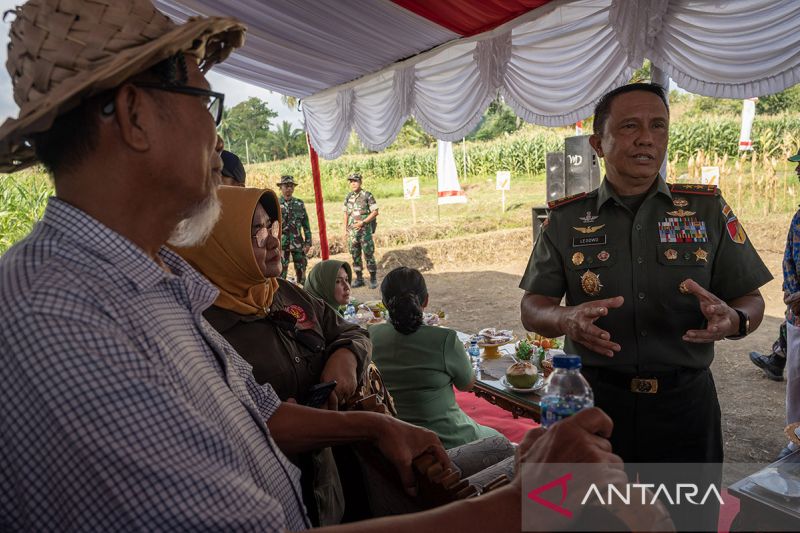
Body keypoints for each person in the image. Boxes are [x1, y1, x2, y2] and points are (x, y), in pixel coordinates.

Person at [0, 1, 626, 531]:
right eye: (203, 100)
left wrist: (373, 430)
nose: (217, 139)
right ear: (136, 116)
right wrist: (526, 502)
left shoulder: (154, 284)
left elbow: (259, 416)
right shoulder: (58, 315)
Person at [519, 82, 772, 530]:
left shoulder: (705, 210)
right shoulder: (565, 219)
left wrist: (735, 320)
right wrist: (565, 318)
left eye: (658, 126)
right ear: (599, 143)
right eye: (630, 126)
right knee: (594, 522)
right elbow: (533, 307)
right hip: (597, 405)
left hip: (685, 409)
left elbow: (751, 299)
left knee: (688, 522)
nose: (647, 138)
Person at [174, 185, 369, 525]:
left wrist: (346, 359)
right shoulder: (202, 329)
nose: (274, 240)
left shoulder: (285, 294)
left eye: (272, 226)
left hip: (329, 484)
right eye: (256, 232)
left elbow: (349, 332)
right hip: (270, 503)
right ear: (220, 247)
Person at [370, 267, 505, 449]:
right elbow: (467, 384)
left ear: (384, 303)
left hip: (397, 441)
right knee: (503, 443)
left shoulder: (369, 336)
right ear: (425, 300)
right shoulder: (445, 340)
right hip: (448, 441)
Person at [779, 147, 800, 458]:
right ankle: (795, 441)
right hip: (799, 317)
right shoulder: (799, 218)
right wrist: (792, 294)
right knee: (796, 382)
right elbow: (789, 261)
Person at [343, 173, 379, 289]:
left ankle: (373, 278)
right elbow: (346, 213)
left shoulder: (367, 195)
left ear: (360, 182)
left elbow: (375, 212)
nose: (353, 183)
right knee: (355, 256)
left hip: (365, 232)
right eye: (351, 181)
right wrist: (345, 229)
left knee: (368, 254)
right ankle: (359, 279)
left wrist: (363, 222)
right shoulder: (348, 197)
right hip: (353, 233)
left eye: (355, 181)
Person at [277, 174, 313, 283]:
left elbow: (306, 225)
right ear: (281, 187)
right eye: (286, 186)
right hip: (282, 244)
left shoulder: (299, 204)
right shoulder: (276, 203)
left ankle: (302, 294)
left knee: (301, 272)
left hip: (298, 243)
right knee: (280, 273)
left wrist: (308, 243)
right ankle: (281, 296)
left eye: (291, 186)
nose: (289, 188)